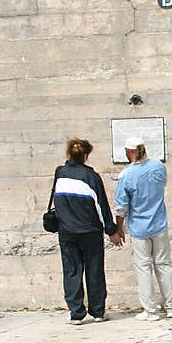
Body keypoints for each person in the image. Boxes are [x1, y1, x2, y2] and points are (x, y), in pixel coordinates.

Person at [52, 138, 123, 324]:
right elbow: (101, 207)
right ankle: (98, 312)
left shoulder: (60, 173)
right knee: (94, 270)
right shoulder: (91, 177)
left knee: (71, 271)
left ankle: (76, 314)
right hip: (90, 231)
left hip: (66, 231)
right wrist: (111, 230)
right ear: (85, 155)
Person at [113, 136, 172, 321]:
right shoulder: (159, 166)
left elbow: (121, 207)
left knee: (143, 267)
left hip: (139, 228)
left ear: (129, 152)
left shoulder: (126, 175)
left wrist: (119, 228)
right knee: (164, 265)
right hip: (159, 223)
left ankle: (151, 310)